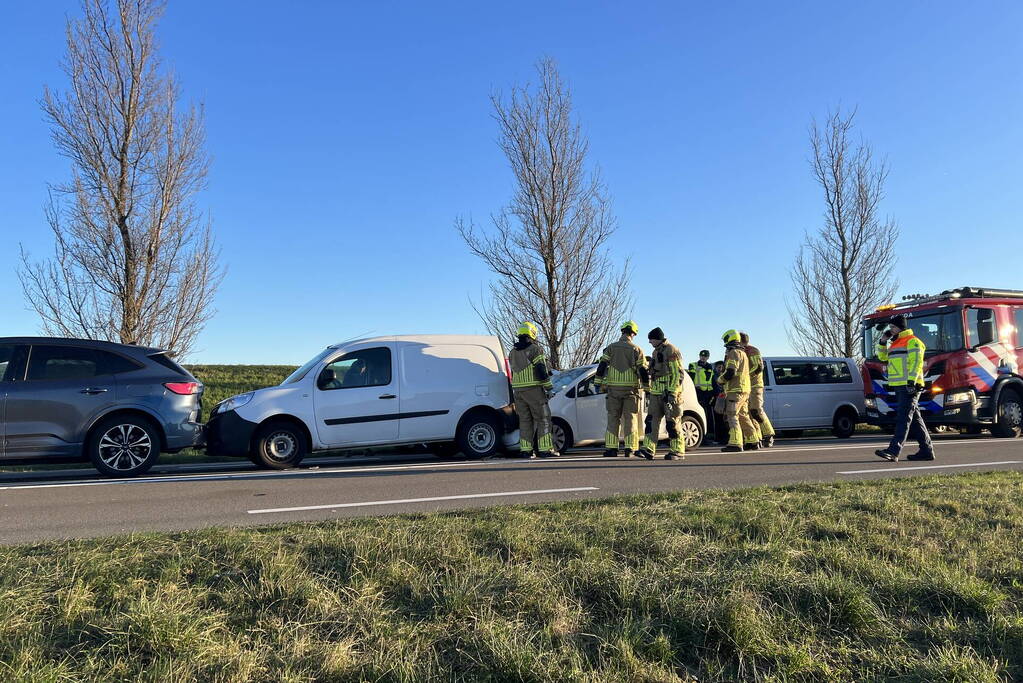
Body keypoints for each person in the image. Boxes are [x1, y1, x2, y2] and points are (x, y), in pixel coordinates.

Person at [874, 314, 935, 462]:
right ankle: (926, 451)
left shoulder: (913, 342)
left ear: (901, 327)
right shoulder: (895, 343)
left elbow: (916, 364)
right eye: (890, 328)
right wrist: (883, 342)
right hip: (899, 386)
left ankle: (893, 451)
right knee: (914, 418)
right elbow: (882, 358)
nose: (891, 330)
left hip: (910, 386)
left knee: (903, 418)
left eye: (893, 327)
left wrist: (911, 382)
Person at [594, 321, 649, 457]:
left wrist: (598, 383)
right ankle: (630, 448)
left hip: (613, 390)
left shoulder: (611, 348)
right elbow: (642, 370)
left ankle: (612, 449)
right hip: (631, 390)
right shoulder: (637, 349)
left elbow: (602, 366)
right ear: (633, 334)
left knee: (613, 418)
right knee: (630, 419)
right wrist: (647, 387)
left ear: (622, 331)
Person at [508, 321, 558, 459]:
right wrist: (549, 388)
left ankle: (526, 450)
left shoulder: (512, 352)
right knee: (544, 419)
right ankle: (545, 449)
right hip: (534, 389)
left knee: (525, 421)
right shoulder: (535, 349)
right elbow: (542, 370)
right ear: (532, 333)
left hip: (518, 392)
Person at [639, 327, 684, 461]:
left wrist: (672, 392)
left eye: (650, 339)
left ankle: (677, 451)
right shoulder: (655, 352)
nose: (649, 342)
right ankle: (649, 449)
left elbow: (677, 373)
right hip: (656, 393)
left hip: (669, 393)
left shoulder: (671, 349)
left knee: (673, 423)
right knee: (651, 421)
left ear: (656, 338)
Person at [718, 329, 759, 453]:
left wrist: (720, 380)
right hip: (745, 389)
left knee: (732, 415)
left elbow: (731, 372)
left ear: (730, 338)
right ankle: (753, 440)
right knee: (743, 416)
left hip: (735, 389)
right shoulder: (743, 353)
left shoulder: (733, 352)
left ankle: (735, 443)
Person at [741, 332, 776, 448]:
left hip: (755, 385)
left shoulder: (753, 350)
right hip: (745, 387)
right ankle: (757, 438)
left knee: (756, 410)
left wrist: (746, 376)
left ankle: (769, 434)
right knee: (749, 414)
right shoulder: (739, 352)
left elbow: (759, 367)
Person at [689, 349, 716, 443]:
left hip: (708, 395)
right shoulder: (693, 365)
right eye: (701, 356)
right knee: (700, 415)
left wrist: (713, 394)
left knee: (708, 416)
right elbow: (691, 378)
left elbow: (712, 381)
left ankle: (709, 436)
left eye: (705, 356)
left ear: (708, 357)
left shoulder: (710, 367)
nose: (703, 357)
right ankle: (703, 437)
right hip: (698, 393)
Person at [711, 360, 729, 444]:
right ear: (715, 368)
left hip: (725, 399)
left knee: (725, 420)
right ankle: (719, 438)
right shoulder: (714, 376)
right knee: (718, 420)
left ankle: (725, 438)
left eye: (722, 367)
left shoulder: (726, 376)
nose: (720, 368)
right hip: (717, 399)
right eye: (719, 367)